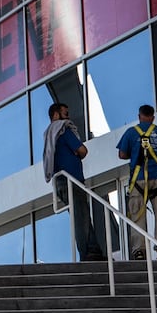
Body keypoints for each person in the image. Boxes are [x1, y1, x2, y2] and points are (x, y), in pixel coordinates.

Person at [43, 101, 105, 260]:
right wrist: (78, 153)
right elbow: (83, 150)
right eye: (65, 113)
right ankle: (88, 254)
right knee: (81, 217)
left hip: (62, 182)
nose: (68, 117)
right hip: (71, 180)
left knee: (81, 215)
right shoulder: (63, 130)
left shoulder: (51, 135)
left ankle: (93, 250)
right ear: (56, 115)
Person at [116, 105, 157, 259]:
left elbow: (122, 154)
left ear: (139, 116)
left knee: (137, 215)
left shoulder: (131, 133)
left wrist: (135, 152)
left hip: (139, 180)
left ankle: (139, 250)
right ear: (153, 117)